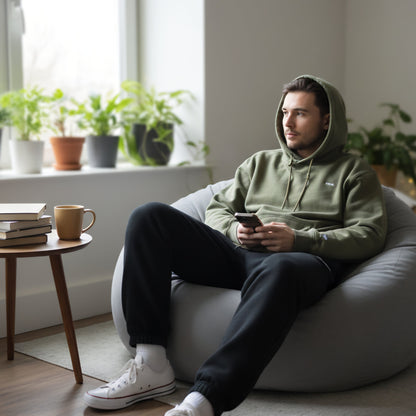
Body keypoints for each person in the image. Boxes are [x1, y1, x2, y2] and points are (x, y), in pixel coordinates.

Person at [84, 75, 387, 416]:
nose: (287, 122)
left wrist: (299, 239)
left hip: (299, 262)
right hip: (240, 255)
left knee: (281, 266)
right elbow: (217, 210)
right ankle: (152, 364)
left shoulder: (355, 172)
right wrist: (233, 231)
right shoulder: (260, 163)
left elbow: (371, 234)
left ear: (327, 120)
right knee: (149, 216)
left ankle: (207, 398)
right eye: (285, 111)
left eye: (300, 113)